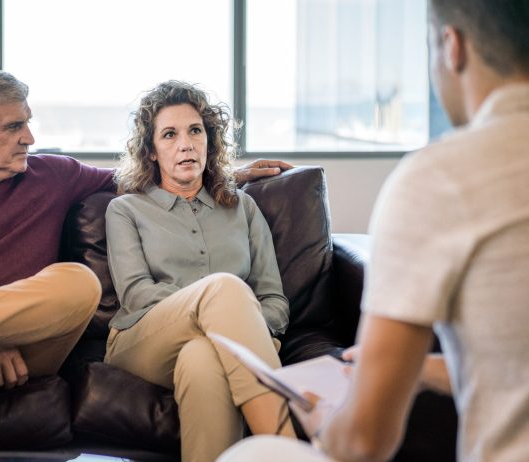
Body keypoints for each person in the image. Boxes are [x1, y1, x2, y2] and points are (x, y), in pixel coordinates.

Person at [0, 68, 291, 457]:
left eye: (28, 123)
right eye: (14, 127)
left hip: (25, 348)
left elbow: (142, 175)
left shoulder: (51, 174)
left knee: (78, 280)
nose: (30, 137)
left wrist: (228, 174)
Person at [218, 0, 529, 461]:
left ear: (452, 47)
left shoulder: (442, 177)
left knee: (254, 454)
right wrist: (424, 369)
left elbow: (364, 442)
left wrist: (324, 425)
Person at [104, 80, 295, 462]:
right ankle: (290, 449)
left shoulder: (243, 208)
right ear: (151, 151)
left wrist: (239, 324)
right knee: (224, 289)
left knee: (203, 358)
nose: (186, 144)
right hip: (143, 341)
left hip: (220, 343)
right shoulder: (126, 210)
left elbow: (273, 299)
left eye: (195, 131)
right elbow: (137, 294)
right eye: (169, 135)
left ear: (210, 141)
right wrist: (216, 307)